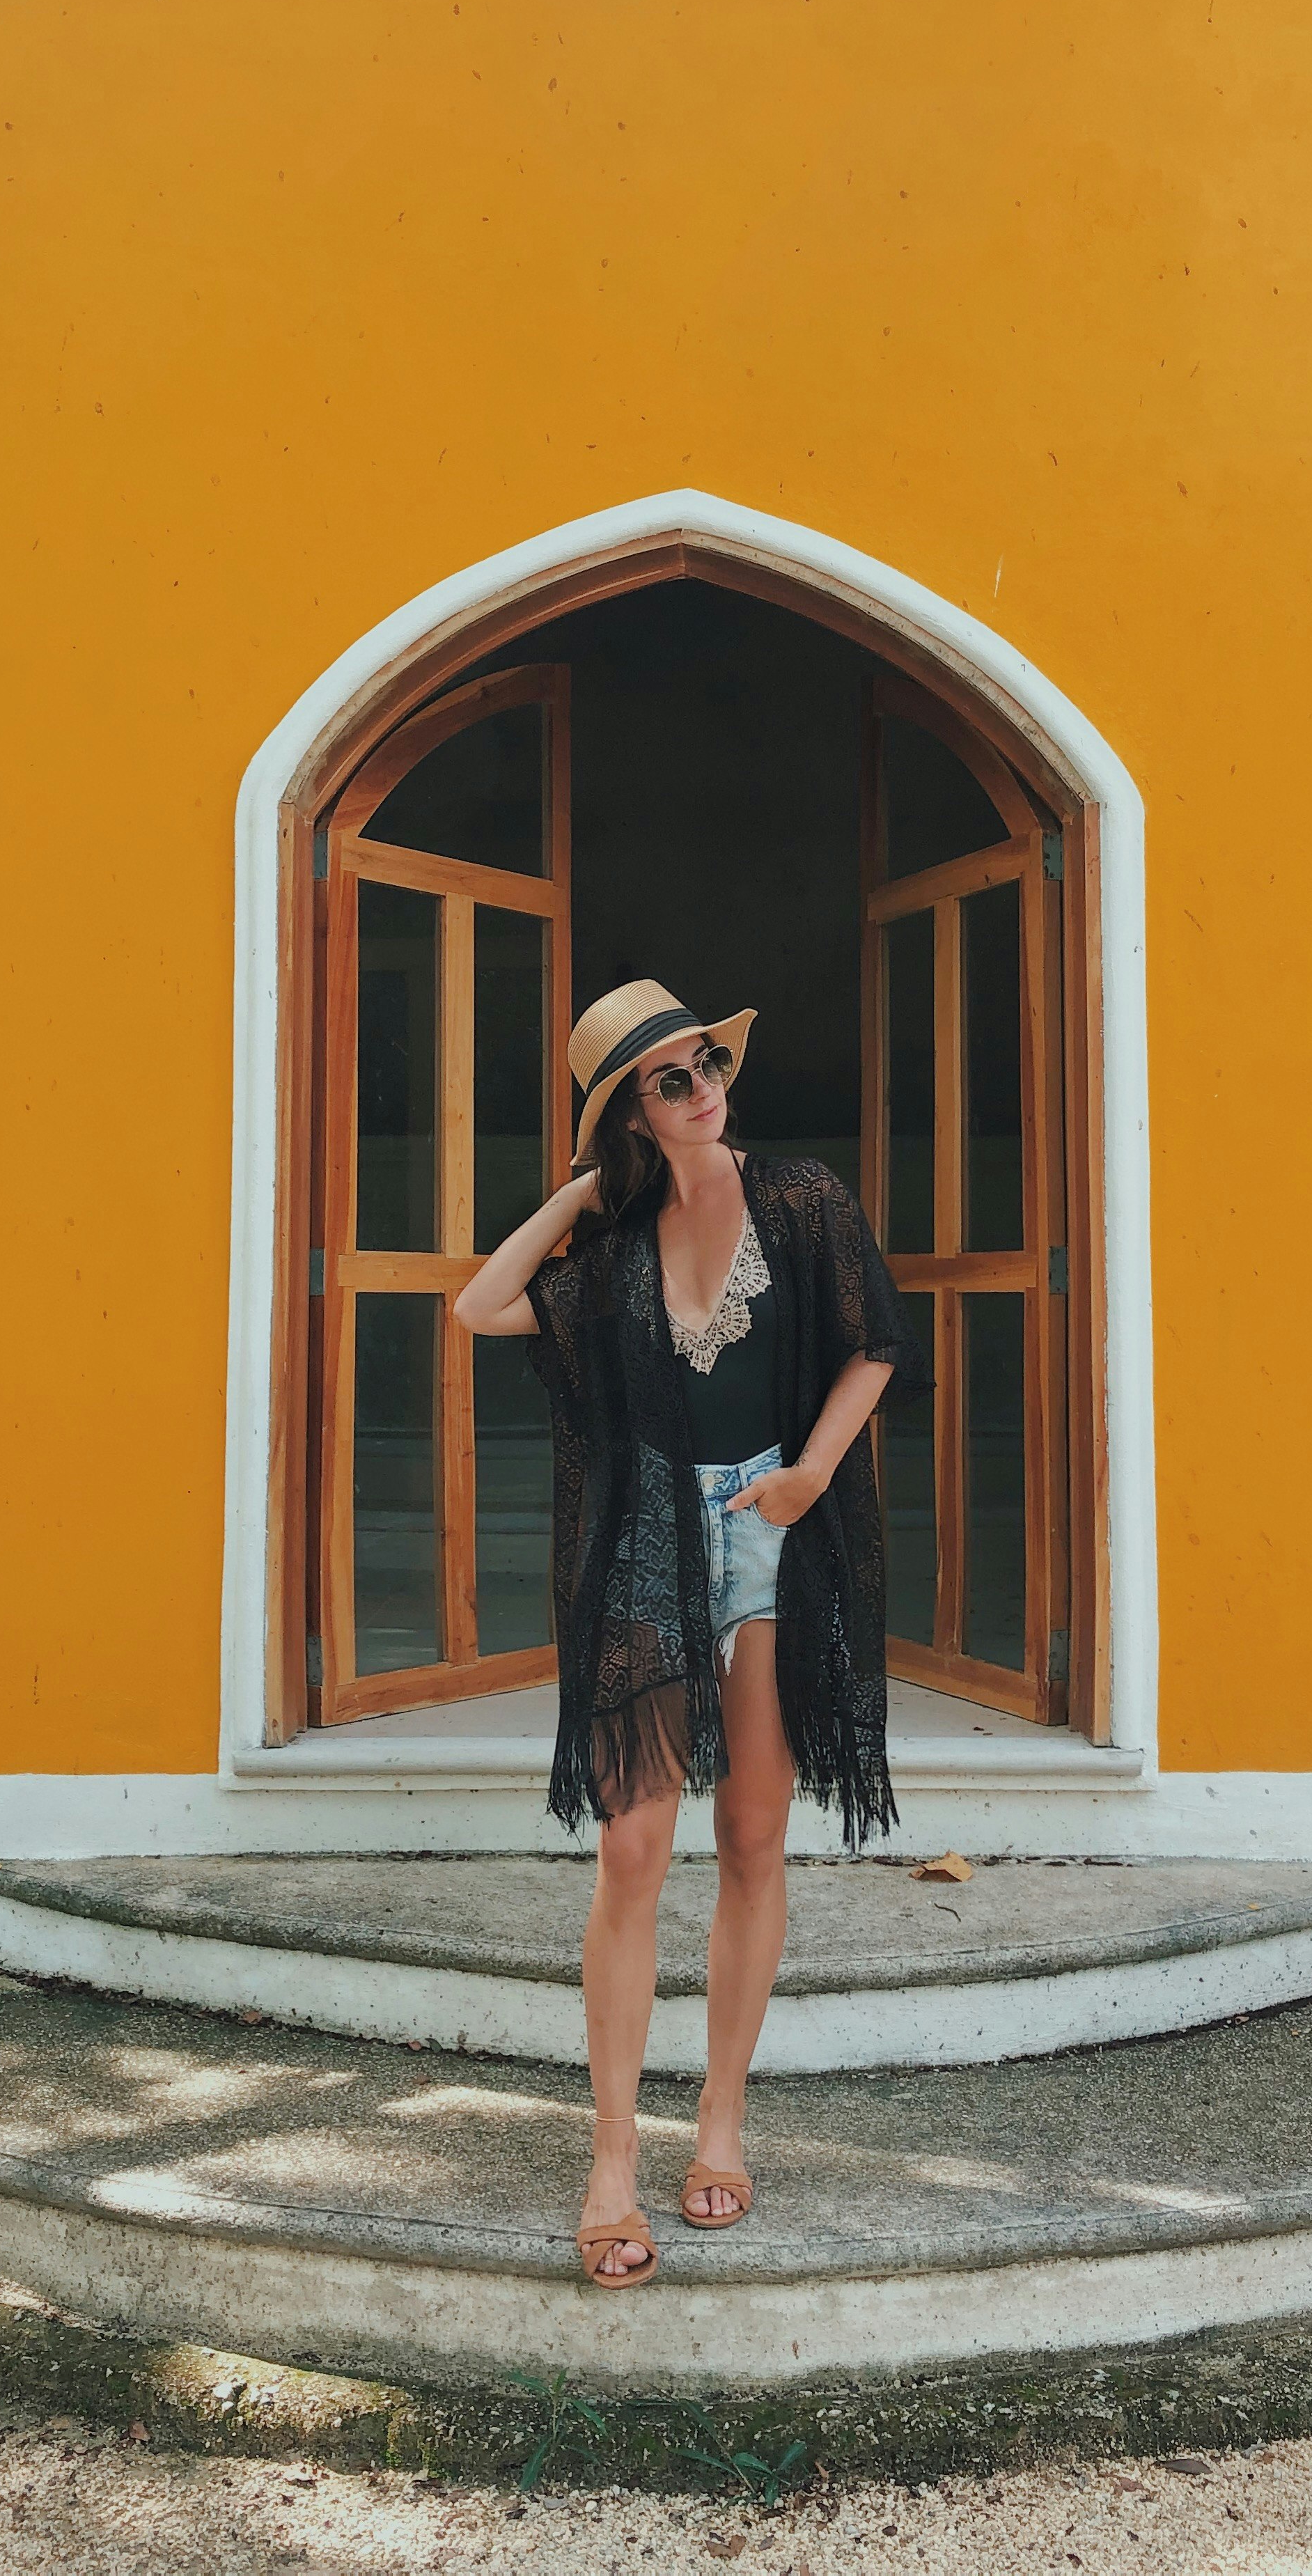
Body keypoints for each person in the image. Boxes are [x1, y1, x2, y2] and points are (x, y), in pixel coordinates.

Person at [454, 978, 929, 2292]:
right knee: (633, 1844)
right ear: (631, 1113)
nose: (703, 1085)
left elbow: (875, 1345)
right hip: (654, 1538)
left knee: (757, 1835)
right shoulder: (609, 1250)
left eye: (706, 1060)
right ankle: (613, 2156)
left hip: (776, 1525)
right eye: (668, 1079)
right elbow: (483, 1309)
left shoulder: (803, 1200)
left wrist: (813, 1476)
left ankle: (719, 2114)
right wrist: (576, 1194)